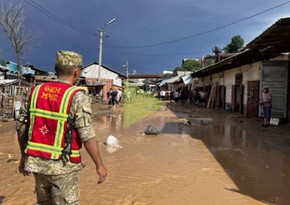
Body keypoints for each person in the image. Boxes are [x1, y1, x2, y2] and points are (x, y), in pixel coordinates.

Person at [16, 50, 107, 204]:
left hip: (37, 164)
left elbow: (21, 127)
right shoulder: (77, 96)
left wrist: (24, 156)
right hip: (64, 166)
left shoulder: (36, 91)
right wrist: (100, 165)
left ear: (56, 69)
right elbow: (87, 134)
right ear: (76, 72)